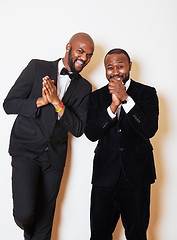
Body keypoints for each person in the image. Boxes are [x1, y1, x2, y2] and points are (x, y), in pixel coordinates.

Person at [3, 32, 94, 240]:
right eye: (80, 51)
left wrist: (57, 104)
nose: (84, 58)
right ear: (68, 46)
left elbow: (78, 128)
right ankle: (28, 230)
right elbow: (9, 104)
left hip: (54, 159)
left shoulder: (84, 87)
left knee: (45, 222)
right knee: (25, 213)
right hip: (26, 151)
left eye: (89, 55)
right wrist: (40, 102)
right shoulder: (37, 67)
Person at [85, 48, 159, 240]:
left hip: (137, 177)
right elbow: (91, 133)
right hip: (104, 177)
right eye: (110, 67)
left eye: (120, 66)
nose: (115, 71)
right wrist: (113, 107)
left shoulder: (147, 93)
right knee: (99, 234)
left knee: (137, 234)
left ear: (129, 66)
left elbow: (149, 130)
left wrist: (126, 99)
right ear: (105, 70)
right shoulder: (96, 97)